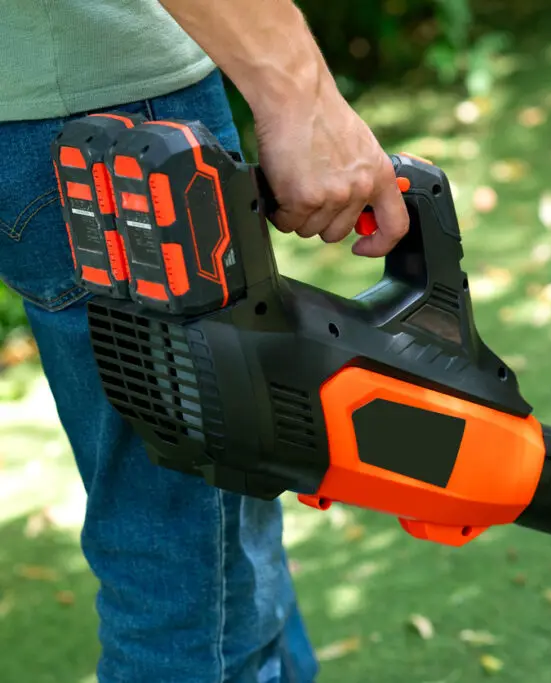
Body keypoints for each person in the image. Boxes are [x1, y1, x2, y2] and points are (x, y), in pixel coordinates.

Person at [0, 0, 409, 681]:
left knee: (225, 530)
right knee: (190, 580)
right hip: (112, 112)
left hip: (35, 120)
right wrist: (298, 89)